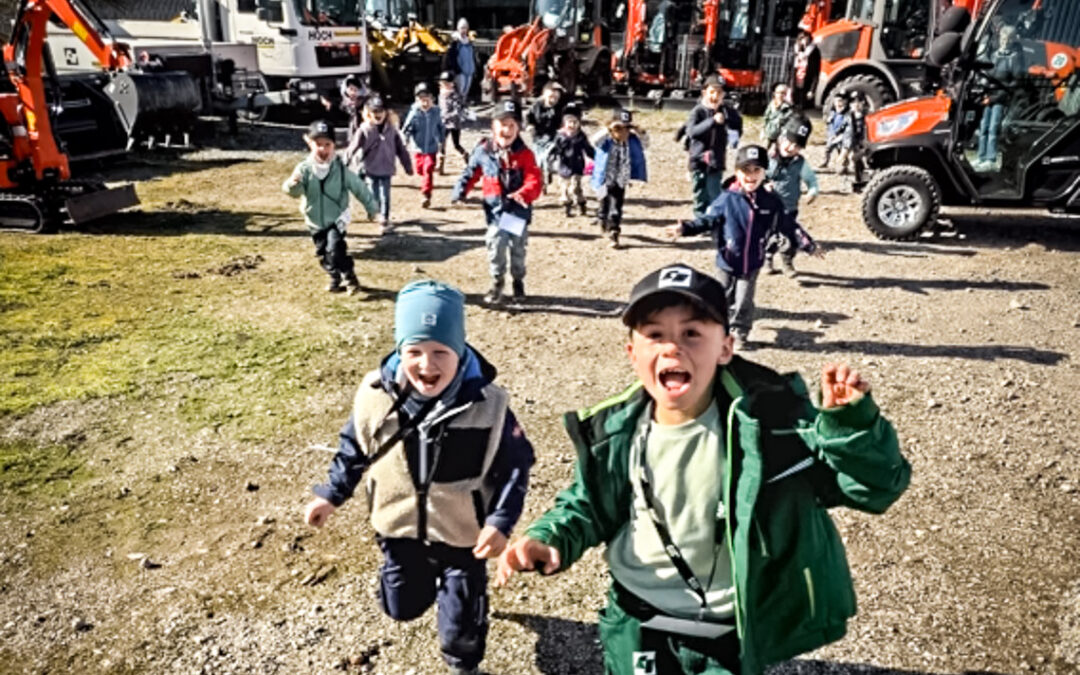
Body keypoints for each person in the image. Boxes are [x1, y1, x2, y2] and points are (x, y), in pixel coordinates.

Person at [497, 263, 910, 675]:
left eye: (692, 333)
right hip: (639, 620)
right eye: (655, 335)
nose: (672, 348)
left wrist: (850, 428)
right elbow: (588, 504)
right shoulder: (614, 432)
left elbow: (874, 488)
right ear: (631, 352)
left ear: (726, 348)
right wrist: (550, 537)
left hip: (728, 632)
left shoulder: (772, 425)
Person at [305, 280, 535, 675]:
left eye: (440, 352)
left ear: (460, 350)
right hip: (399, 528)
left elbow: (517, 466)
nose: (427, 366)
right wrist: (331, 494)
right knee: (401, 608)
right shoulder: (375, 396)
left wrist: (499, 522)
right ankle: (417, 589)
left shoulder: (489, 404)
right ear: (399, 350)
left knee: (460, 620)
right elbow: (352, 448)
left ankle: (464, 661)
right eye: (414, 352)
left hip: (464, 535)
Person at [666, 145, 821, 349]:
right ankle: (717, 329)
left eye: (757, 170)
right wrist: (684, 228)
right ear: (737, 172)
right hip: (726, 260)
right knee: (720, 297)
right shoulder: (727, 199)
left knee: (743, 301)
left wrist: (808, 244)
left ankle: (740, 332)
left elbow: (788, 224)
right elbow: (707, 220)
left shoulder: (771, 202)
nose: (751, 176)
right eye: (745, 170)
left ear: (765, 172)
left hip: (752, 262)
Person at [451, 98, 542, 303]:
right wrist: (460, 192)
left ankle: (518, 281)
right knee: (496, 245)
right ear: (493, 126)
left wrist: (524, 193)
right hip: (496, 211)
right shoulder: (484, 150)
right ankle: (497, 282)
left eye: (512, 125)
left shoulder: (525, 154)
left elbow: (535, 180)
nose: (507, 130)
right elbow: (470, 172)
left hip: (517, 212)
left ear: (519, 128)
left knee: (517, 250)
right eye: (503, 124)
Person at [282, 119, 377, 294]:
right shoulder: (304, 169)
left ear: (334, 145)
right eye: (318, 144)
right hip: (314, 219)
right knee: (323, 254)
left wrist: (371, 208)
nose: (323, 149)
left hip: (337, 216)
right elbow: (294, 192)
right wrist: (292, 185)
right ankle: (334, 277)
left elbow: (359, 187)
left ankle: (349, 276)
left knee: (335, 248)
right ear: (310, 144)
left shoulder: (340, 169)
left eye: (328, 144)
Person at [344, 95, 413, 235]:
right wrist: (345, 161)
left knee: (385, 195)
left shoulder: (392, 130)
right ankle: (374, 212)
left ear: (386, 112)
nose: (378, 114)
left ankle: (384, 219)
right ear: (368, 113)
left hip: (387, 168)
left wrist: (408, 166)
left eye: (380, 111)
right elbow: (353, 147)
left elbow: (401, 149)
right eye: (374, 111)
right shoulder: (364, 129)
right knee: (373, 193)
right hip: (370, 168)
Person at [765, 115, 819, 276]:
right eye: (788, 142)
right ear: (781, 138)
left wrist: (812, 191)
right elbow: (757, 176)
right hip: (769, 207)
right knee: (770, 236)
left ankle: (787, 262)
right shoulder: (768, 158)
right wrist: (764, 185)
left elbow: (811, 180)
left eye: (796, 146)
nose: (790, 148)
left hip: (789, 207)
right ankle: (768, 258)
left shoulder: (800, 163)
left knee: (789, 236)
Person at [685, 75, 743, 218]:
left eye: (719, 93)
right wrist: (712, 121)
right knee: (699, 192)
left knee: (714, 191)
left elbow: (737, 128)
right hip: (698, 159)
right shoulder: (698, 111)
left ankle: (714, 219)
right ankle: (699, 219)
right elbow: (692, 131)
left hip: (716, 159)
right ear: (704, 93)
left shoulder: (727, 112)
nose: (715, 96)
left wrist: (732, 127)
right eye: (712, 92)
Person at [591, 108, 649, 249]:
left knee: (616, 205)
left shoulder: (632, 140)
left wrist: (640, 131)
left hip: (620, 178)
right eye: (619, 128)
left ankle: (614, 231)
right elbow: (593, 141)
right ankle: (601, 217)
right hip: (604, 177)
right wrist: (608, 129)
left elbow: (646, 144)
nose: (623, 132)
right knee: (603, 201)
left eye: (626, 128)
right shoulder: (606, 140)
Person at [976, 25, 1025, 171]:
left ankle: (990, 159)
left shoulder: (1013, 58)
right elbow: (988, 75)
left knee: (993, 128)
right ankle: (981, 157)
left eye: (1008, 39)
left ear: (1012, 40)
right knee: (984, 127)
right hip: (989, 95)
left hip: (1000, 97)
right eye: (1003, 38)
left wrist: (1002, 94)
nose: (1005, 41)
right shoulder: (994, 55)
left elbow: (1016, 80)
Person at [402, 82, 446, 208]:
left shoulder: (436, 112)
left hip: (431, 148)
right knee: (420, 170)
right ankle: (425, 183)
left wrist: (442, 144)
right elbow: (407, 128)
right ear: (417, 100)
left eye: (428, 100)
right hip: (418, 148)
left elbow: (441, 128)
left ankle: (426, 194)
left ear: (432, 99)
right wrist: (405, 139)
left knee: (428, 169)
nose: (425, 104)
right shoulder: (414, 113)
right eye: (422, 101)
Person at [550, 104, 595, 218]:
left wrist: (595, 157)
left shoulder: (580, 136)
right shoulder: (560, 136)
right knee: (564, 188)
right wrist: (552, 158)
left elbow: (588, 148)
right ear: (564, 124)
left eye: (575, 122)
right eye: (569, 122)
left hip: (577, 166)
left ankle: (581, 203)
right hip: (564, 166)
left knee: (575, 187)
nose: (572, 125)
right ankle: (567, 206)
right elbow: (554, 149)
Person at [526, 81, 568, 187]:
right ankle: (541, 178)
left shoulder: (561, 106)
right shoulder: (537, 105)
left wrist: (564, 128)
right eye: (550, 96)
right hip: (539, 136)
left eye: (556, 97)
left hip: (554, 135)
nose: (553, 99)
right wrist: (530, 126)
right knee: (539, 159)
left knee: (551, 157)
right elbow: (528, 117)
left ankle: (548, 174)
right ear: (544, 94)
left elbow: (567, 117)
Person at [437, 70, 468, 175]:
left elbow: (458, 110)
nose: (445, 85)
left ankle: (466, 158)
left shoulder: (456, 95)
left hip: (454, 123)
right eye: (443, 83)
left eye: (447, 83)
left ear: (452, 84)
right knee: (441, 143)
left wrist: (447, 116)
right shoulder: (441, 94)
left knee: (456, 144)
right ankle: (440, 166)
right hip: (443, 123)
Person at [444, 18, 478, 102]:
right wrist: (456, 70)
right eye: (462, 28)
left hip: (469, 71)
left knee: (465, 92)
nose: (464, 30)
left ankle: (463, 108)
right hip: (460, 72)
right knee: (460, 91)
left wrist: (474, 68)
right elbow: (451, 57)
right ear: (458, 29)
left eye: (465, 28)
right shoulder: (455, 42)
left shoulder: (469, 42)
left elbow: (472, 56)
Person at [841, 91, 869, 186]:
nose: (856, 104)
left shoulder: (868, 116)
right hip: (853, 141)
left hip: (865, 141)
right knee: (856, 160)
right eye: (853, 102)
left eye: (859, 102)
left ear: (863, 103)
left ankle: (862, 177)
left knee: (861, 159)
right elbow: (845, 131)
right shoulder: (848, 116)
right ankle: (859, 179)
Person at [789, 31, 820, 111]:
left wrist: (812, 90)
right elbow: (791, 68)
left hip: (807, 80)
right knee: (794, 102)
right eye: (803, 39)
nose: (805, 41)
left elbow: (815, 73)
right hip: (796, 79)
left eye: (807, 39)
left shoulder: (814, 51)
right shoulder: (796, 51)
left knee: (803, 105)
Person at [762, 82, 793, 154]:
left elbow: (788, 122)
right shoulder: (771, 105)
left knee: (778, 153)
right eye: (779, 93)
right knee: (764, 152)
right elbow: (766, 118)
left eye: (783, 93)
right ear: (774, 93)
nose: (780, 95)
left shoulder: (787, 107)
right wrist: (763, 130)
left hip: (780, 135)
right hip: (769, 133)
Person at [821, 93, 849, 171]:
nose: (838, 103)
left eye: (840, 101)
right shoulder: (833, 113)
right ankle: (825, 162)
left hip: (841, 136)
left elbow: (846, 125)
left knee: (841, 151)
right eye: (836, 101)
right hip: (832, 134)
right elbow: (828, 123)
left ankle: (844, 166)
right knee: (828, 149)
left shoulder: (846, 114)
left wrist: (840, 133)